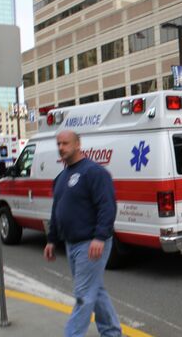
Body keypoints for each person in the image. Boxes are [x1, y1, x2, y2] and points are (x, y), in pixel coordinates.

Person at [43, 130, 122, 337]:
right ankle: (112, 332)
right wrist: (52, 240)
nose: (61, 147)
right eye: (58, 143)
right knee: (94, 291)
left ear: (78, 144)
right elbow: (56, 210)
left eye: (65, 143)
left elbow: (107, 206)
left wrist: (100, 236)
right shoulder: (61, 177)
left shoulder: (94, 172)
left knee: (83, 295)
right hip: (72, 243)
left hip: (90, 243)